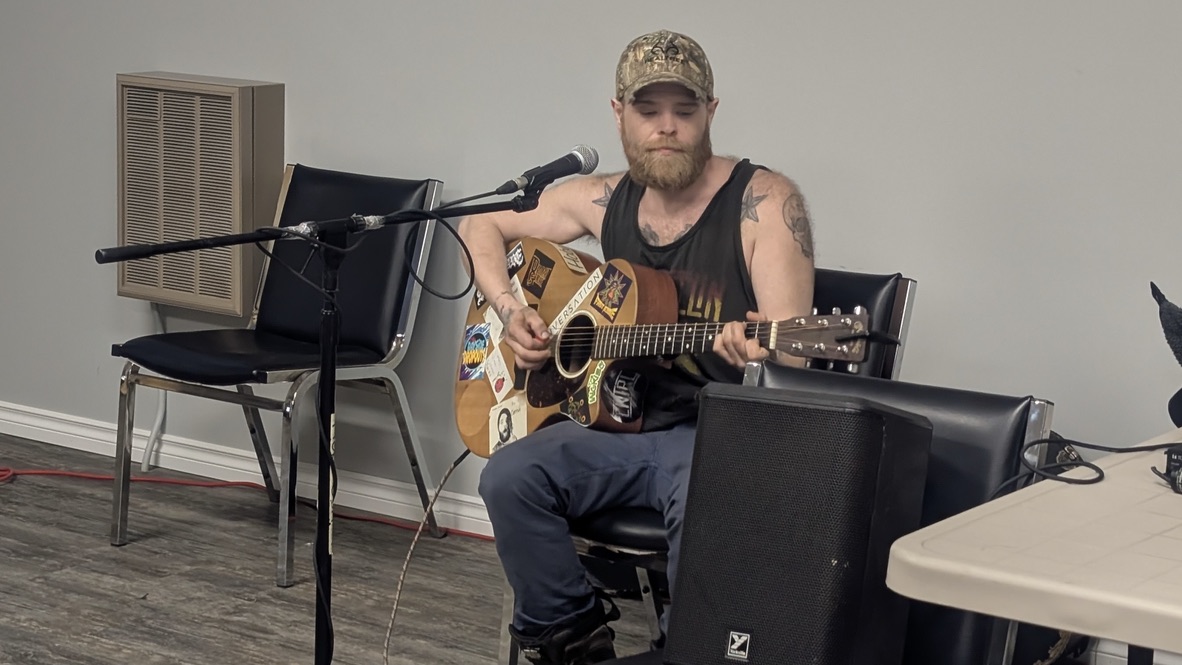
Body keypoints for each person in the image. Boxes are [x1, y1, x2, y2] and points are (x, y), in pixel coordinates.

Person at [457, 29, 816, 665]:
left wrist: (761, 355)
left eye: (684, 111)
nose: (667, 127)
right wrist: (511, 310)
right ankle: (571, 638)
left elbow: (797, 359)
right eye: (648, 111)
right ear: (619, 114)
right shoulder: (603, 199)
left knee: (704, 507)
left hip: (715, 434)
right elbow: (480, 223)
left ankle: (689, 651)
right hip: (616, 424)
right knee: (510, 477)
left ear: (711, 112)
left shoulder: (763, 204)